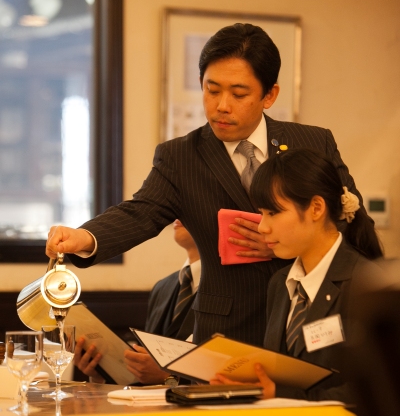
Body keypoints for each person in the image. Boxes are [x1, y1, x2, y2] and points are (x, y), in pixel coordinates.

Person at [47, 23, 366, 347]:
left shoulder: (312, 142)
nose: (222, 106)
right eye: (212, 90)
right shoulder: (181, 156)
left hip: (310, 321)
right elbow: (140, 213)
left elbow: (353, 220)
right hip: (227, 330)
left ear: (269, 95)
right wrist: (84, 237)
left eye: (239, 94)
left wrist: (288, 241)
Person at [211, 148, 383, 402]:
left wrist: (281, 394)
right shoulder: (281, 283)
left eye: (273, 213)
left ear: (316, 208)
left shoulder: (366, 286)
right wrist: (251, 383)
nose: (262, 227)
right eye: (261, 213)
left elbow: (379, 391)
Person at [74, 220, 200, 385]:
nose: (179, 216)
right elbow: (145, 371)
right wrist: (103, 372)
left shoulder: (229, 287)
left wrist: (169, 377)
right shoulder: (163, 287)